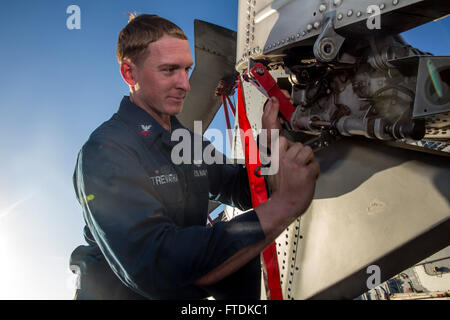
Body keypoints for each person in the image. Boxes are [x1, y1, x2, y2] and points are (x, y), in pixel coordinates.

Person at [69, 14, 320, 300]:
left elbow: (245, 189)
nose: (184, 84)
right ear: (130, 74)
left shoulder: (187, 143)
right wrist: (284, 207)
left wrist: (270, 147)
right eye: (168, 70)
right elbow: (159, 267)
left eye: (186, 70)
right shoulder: (105, 152)